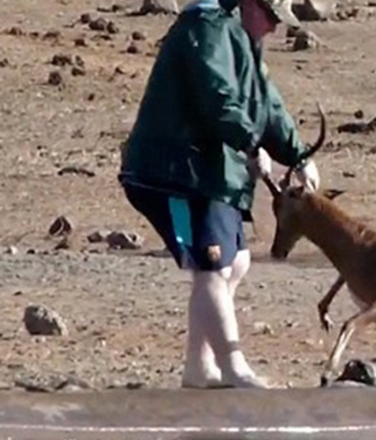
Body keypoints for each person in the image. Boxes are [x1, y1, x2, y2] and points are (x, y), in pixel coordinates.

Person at [118, 0, 320, 389]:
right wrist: (248, 143)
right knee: (212, 266)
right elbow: (216, 95)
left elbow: (267, 105)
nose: (275, 29)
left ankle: (200, 367)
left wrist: (298, 155)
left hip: (213, 176)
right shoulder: (205, 27)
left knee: (237, 261)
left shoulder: (242, 39)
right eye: (272, 17)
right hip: (175, 173)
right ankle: (233, 367)